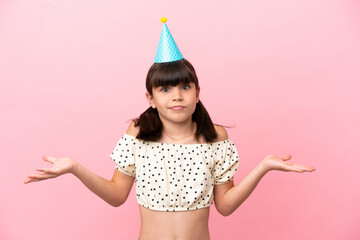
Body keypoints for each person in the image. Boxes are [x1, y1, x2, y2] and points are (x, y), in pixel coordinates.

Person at [24, 17, 316, 240]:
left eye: (185, 86)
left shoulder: (215, 138)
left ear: (197, 92)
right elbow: (116, 196)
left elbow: (225, 206)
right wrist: (75, 168)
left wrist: (263, 167)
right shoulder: (137, 133)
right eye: (165, 88)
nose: (176, 95)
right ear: (150, 98)